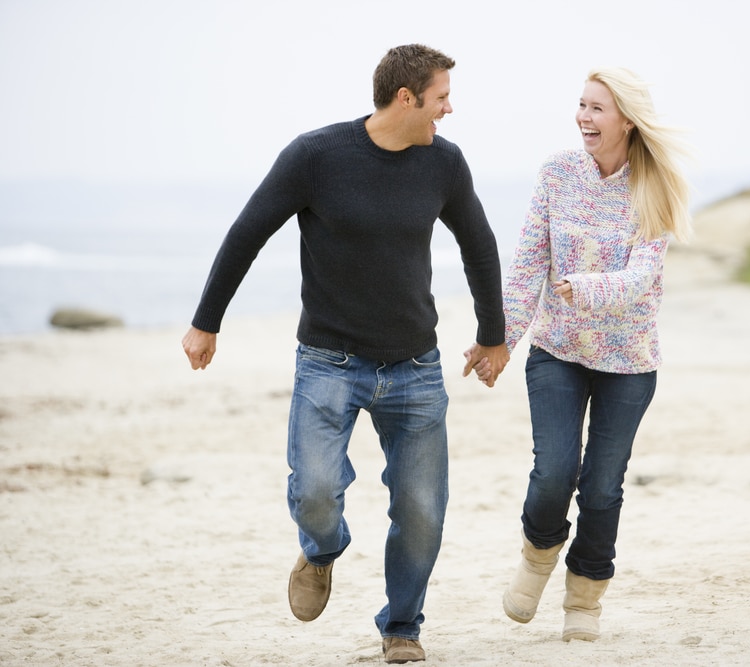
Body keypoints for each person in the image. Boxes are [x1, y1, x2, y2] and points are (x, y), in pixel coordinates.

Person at [182, 44, 509, 664]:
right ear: (407, 98)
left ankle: (403, 625)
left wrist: (493, 335)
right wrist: (207, 322)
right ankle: (321, 549)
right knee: (316, 491)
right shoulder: (317, 156)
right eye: (442, 97)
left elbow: (480, 246)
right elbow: (248, 232)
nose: (449, 110)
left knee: (421, 510)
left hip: (415, 367)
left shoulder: (443, 163)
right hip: (329, 360)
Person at [470, 66, 692, 642]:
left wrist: (586, 286)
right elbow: (526, 268)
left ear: (625, 120)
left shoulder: (653, 186)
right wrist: (500, 338)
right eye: (581, 105)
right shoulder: (557, 174)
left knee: (601, 486)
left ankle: (585, 600)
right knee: (553, 472)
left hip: (629, 362)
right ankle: (536, 558)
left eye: (596, 108)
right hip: (558, 352)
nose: (583, 118)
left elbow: (643, 275)